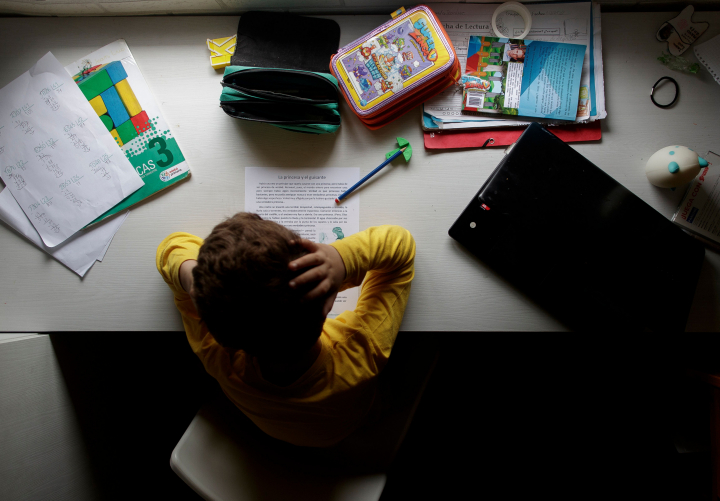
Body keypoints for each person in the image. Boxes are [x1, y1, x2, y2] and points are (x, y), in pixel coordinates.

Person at [156, 213, 415, 447]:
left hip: (269, 432)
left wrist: (196, 280)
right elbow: (400, 247)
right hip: (347, 429)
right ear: (327, 302)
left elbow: (171, 247)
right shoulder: (359, 354)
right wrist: (342, 259)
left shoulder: (216, 355)